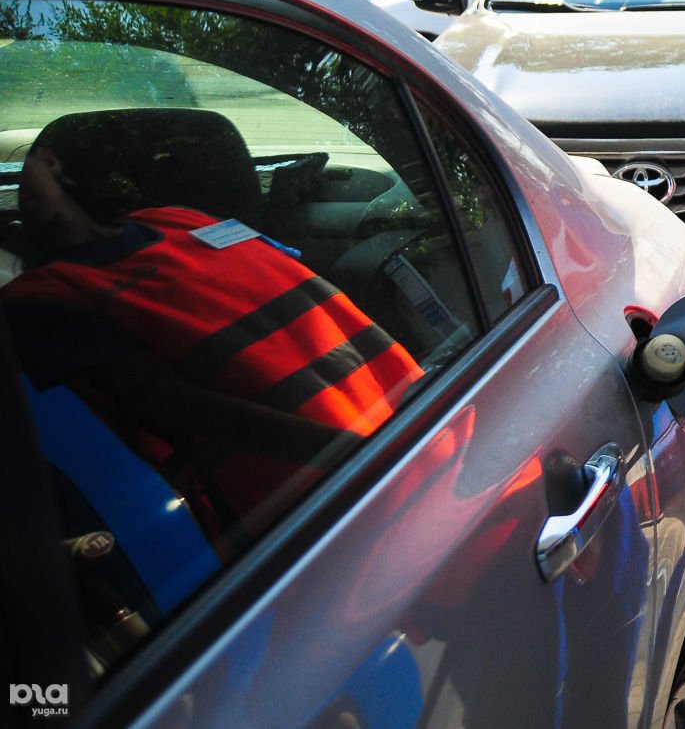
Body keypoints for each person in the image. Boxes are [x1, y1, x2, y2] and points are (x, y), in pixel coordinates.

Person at [2, 126, 423, 541]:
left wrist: (396, 444)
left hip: (415, 422)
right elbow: (177, 407)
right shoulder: (40, 298)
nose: (20, 189)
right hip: (325, 502)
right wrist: (361, 455)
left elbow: (299, 284)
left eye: (24, 166)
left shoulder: (179, 219)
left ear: (51, 161)